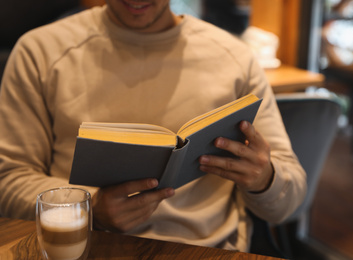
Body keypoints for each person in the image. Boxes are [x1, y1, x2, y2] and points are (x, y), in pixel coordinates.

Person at [0, 0, 306, 252]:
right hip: (85, 248)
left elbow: (288, 201)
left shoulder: (235, 59)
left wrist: (264, 177)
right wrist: (89, 208)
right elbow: (8, 180)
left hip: (207, 250)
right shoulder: (40, 52)